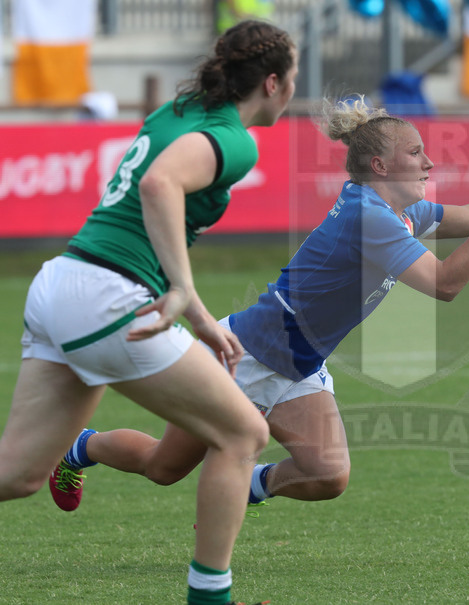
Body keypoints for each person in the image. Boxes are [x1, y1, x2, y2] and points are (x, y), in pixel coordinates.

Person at [50, 95, 469, 511]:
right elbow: (446, 283)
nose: (429, 162)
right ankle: (79, 448)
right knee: (162, 468)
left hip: (299, 364)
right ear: (380, 166)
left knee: (328, 476)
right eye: (415, 153)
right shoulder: (370, 218)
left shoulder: (397, 211)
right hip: (245, 355)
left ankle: (248, 487)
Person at [0, 19, 297, 605]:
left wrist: (200, 316)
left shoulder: (181, 109)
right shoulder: (236, 141)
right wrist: (181, 289)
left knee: (17, 474)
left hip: (62, 282)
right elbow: (160, 185)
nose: (292, 89)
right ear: (272, 82)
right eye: (292, 77)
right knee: (243, 433)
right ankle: (210, 598)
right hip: (107, 297)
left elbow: (152, 218)